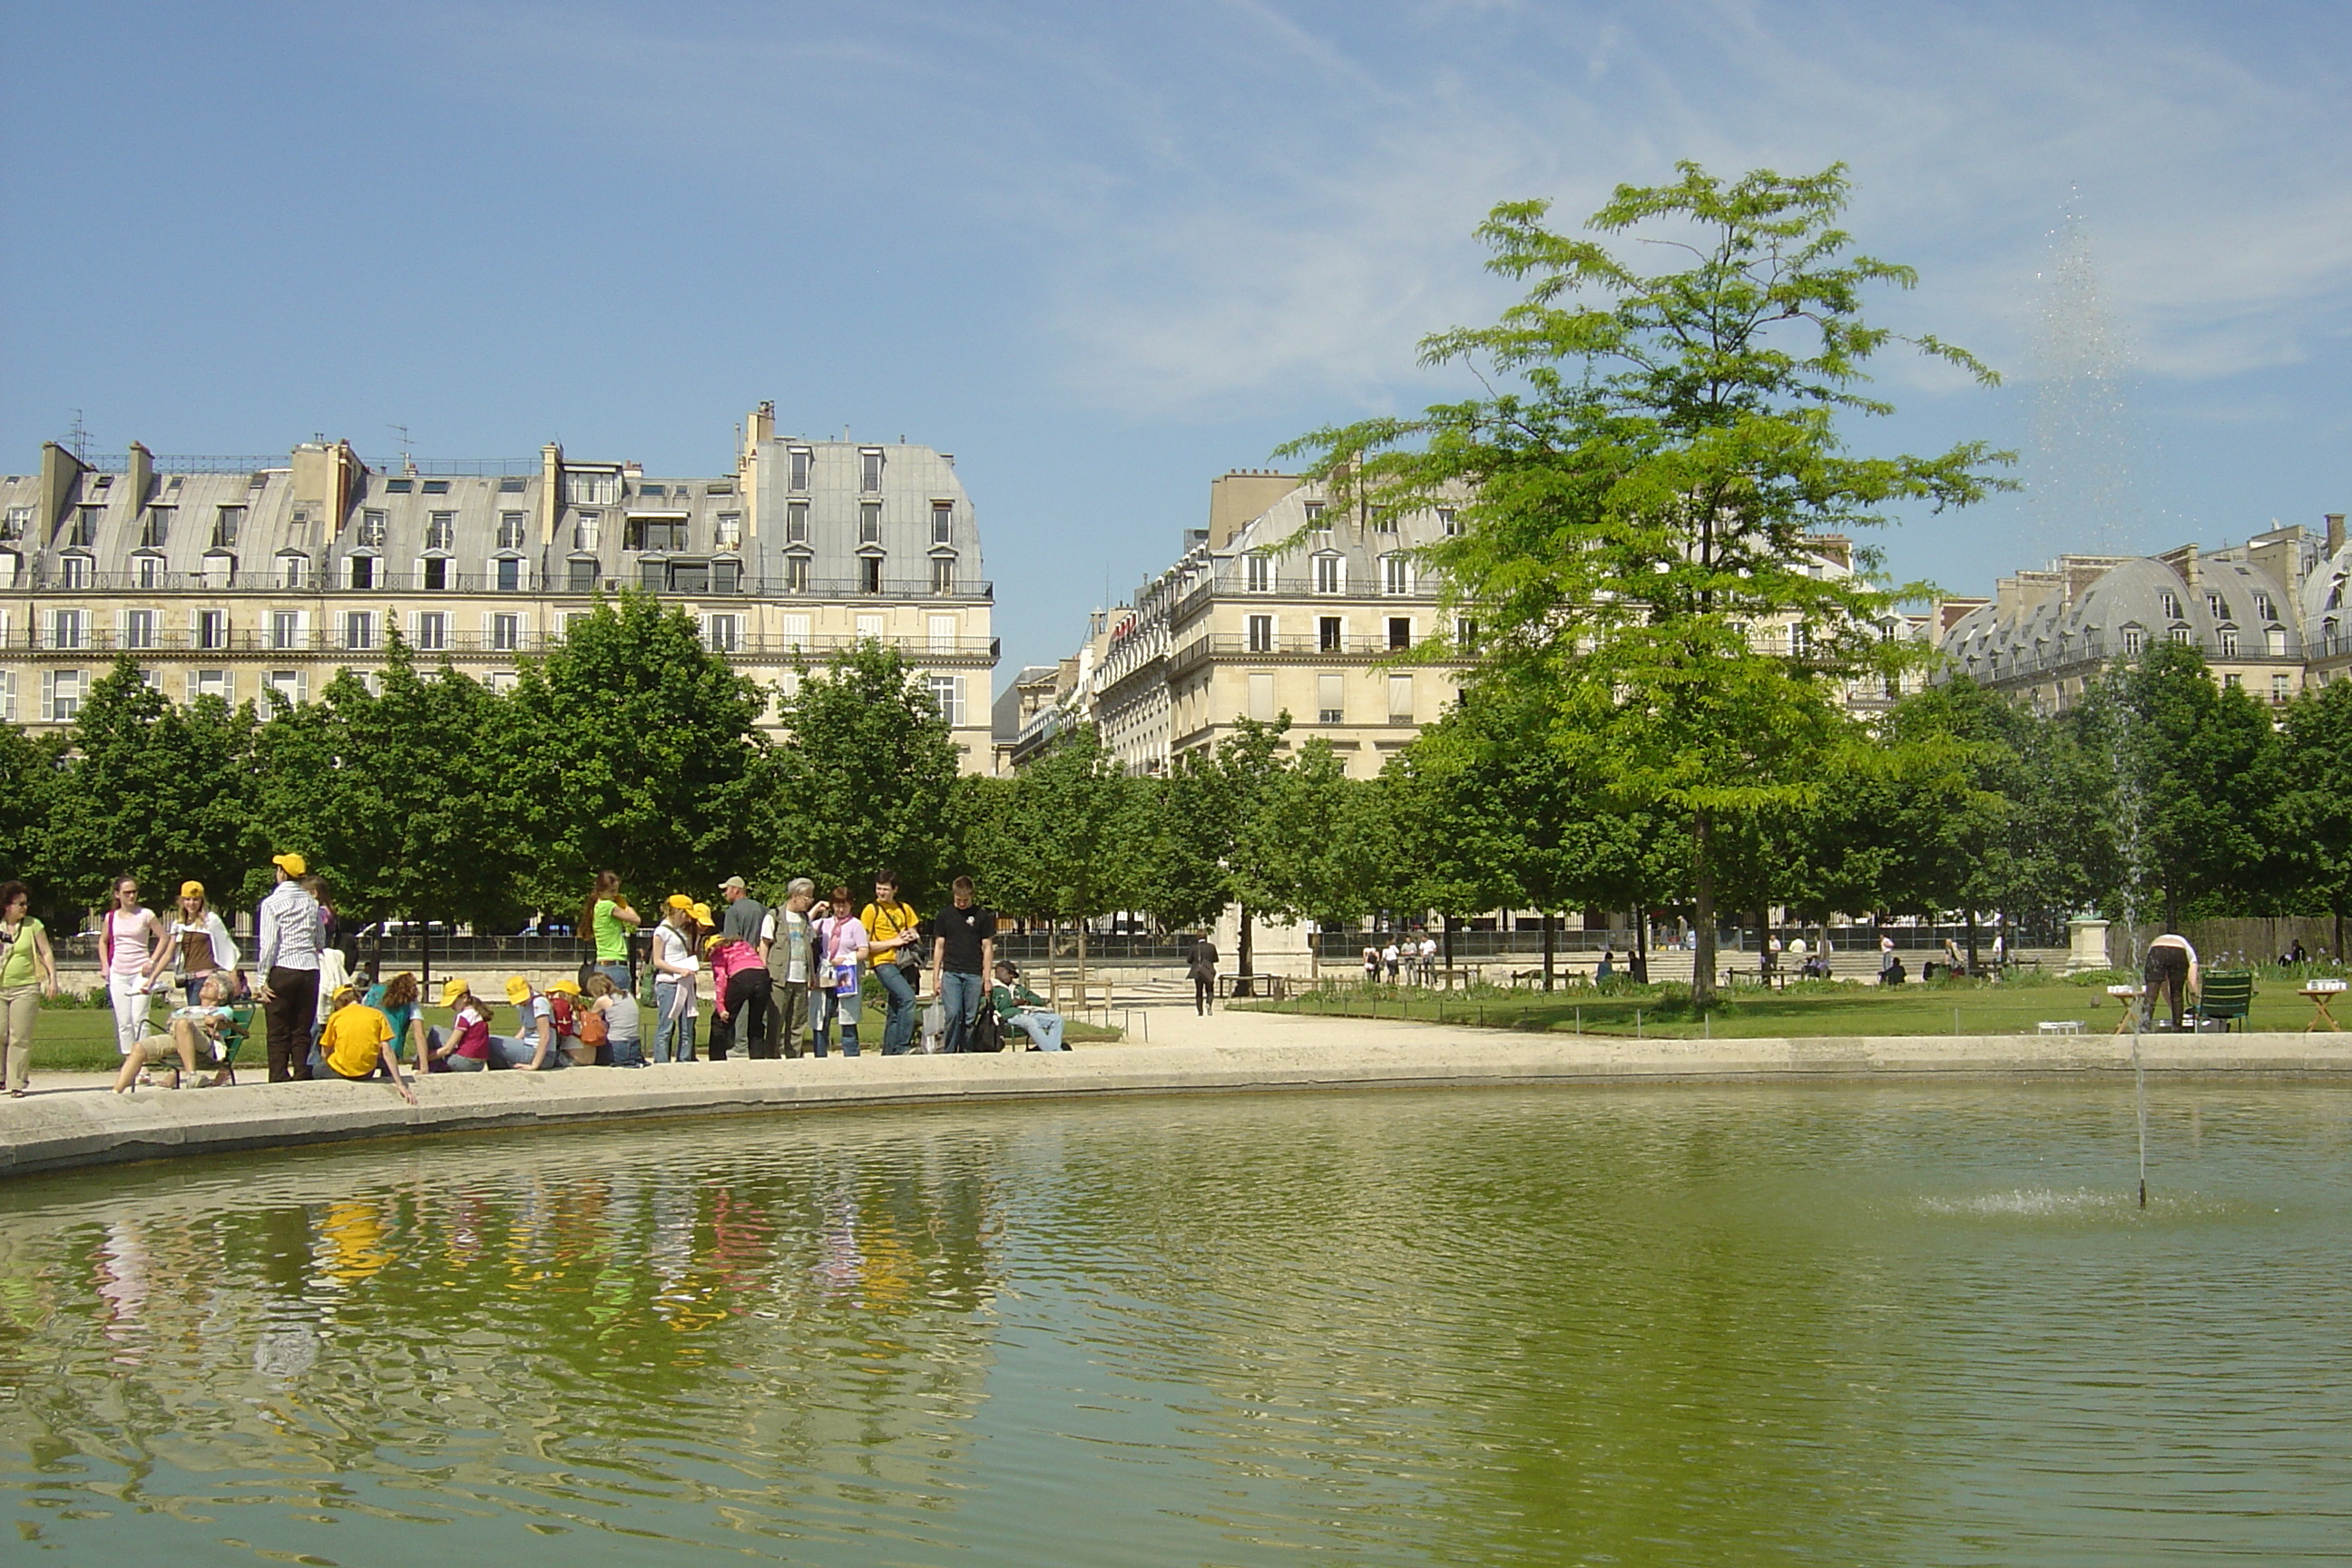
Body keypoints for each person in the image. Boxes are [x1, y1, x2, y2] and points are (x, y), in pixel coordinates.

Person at [254, 852, 323, 1082]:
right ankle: (302, 1072)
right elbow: (319, 939)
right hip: (309, 969)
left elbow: (269, 943)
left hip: (283, 967)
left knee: (277, 1030)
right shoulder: (311, 903)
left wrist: (261, 978)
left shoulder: (272, 904)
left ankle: (278, 1075)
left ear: (282, 873)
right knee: (302, 1029)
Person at [113, 975, 237, 1093]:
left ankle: (191, 1076)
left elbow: (214, 1021)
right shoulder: (187, 1009)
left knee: (182, 1023)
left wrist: (189, 1020)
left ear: (221, 995)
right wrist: (201, 1020)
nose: (205, 984)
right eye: (205, 983)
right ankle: (117, 1090)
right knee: (139, 1047)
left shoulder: (224, 1010)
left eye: (211, 985)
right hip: (177, 1038)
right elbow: (170, 1021)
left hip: (206, 1046)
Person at [97, 877, 172, 1061]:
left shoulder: (146, 914)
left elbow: (164, 937)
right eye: (127, 892)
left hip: (141, 971)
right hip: (118, 972)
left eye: (134, 892)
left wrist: (152, 961)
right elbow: (103, 941)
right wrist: (105, 966)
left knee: (139, 1017)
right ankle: (130, 1061)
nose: (131, 896)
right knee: (124, 1021)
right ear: (117, 895)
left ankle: (143, 1061)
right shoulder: (111, 917)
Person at [0, 882, 60, 1097]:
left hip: (25, 987)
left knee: (20, 1036)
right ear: (7, 906)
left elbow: (46, 953)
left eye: (26, 904)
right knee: (1, 1032)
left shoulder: (33, 925)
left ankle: (16, 1082)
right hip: (1, 987)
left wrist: (53, 979)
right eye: (20, 904)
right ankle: (1, 1076)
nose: (24, 908)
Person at [314, 985, 418, 1102]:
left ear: (338, 1003)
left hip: (340, 1071)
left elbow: (325, 1051)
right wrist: (400, 1084)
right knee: (381, 1059)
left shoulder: (336, 1017)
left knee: (316, 1070)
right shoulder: (377, 1015)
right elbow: (387, 1051)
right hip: (366, 1072)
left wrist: (326, 1059)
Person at [929, 876, 996, 1054]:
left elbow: (987, 947)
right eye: (958, 900)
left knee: (969, 1018)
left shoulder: (981, 916)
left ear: (972, 897)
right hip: (952, 972)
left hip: (973, 973)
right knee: (953, 1014)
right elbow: (939, 946)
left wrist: (987, 978)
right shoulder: (945, 915)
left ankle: (967, 1051)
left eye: (965, 900)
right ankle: (949, 1051)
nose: (961, 904)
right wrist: (935, 978)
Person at [861, 873, 925, 1055]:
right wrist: (894, 941)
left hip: (904, 962)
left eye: (885, 889)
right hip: (883, 961)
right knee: (907, 999)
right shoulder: (871, 910)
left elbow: (914, 933)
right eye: (878, 888)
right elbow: (865, 945)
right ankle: (902, 1046)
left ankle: (889, 1053)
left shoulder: (904, 909)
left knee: (895, 1009)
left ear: (894, 890)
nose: (881, 892)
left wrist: (910, 936)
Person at [760, 877, 817, 1059]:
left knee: (798, 1022)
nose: (809, 901)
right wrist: (763, 972)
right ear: (794, 896)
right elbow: (764, 944)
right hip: (779, 977)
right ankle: (772, 1055)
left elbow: (810, 947)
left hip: (801, 977)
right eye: (807, 897)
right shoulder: (774, 915)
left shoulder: (806, 919)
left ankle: (794, 1057)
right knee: (776, 1021)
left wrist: (812, 974)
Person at [165, 882, 240, 1007]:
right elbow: (168, 954)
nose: (191, 903)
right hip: (188, 978)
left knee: (197, 1015)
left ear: (201, 901)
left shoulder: (210, 920)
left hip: (206, 978)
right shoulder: (179, 924)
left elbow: (226, 946)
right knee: (193, 1013)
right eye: (187, 899)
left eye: (195, 899)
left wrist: (233, 976)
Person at [651, 895, 701, 1063]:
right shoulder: (661, 931)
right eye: (685, 914)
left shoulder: (680, 932)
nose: (687, 918)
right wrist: (678, 969)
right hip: (669, 983)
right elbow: (658, 960)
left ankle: (684, 1059)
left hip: (685, 982)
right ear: (678, 911)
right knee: (666, 1026)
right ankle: (662, 1061)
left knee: (687, 1025)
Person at [823, 886, 868, 1056]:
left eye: (845, 905)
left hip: (846, 974)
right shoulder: (825, 923)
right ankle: (821, 1055)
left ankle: (851, 1055)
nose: (841, 910)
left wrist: (846, 958)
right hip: (827, 974)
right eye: (837, 905)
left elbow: (863, 951)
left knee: (847, 1018)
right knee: (823, 1016)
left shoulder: (856, 925)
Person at [707, 935, 767, 1061]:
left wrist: (721, 1007)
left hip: (742, 977)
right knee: (756, 1021)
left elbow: (721, 981)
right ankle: (758, 1058)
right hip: (762, 975)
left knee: (720, 1020)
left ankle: (717, 1059)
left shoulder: (718, 953)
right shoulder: (743, 944)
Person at [581, 871, 641, 992]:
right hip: (615, 964)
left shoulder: (597, 906)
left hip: (602, 964)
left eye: (617, 890)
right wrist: (624, 904)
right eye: (612, 891)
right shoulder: (608, 906)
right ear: (601, 891)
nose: (616, 894)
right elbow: (636, 920)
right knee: (621, 1006)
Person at [987, 959, 1065, 1051]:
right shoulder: (993, 989)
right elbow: (998, 1007)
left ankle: (1053, 1049)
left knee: (1057, 1019)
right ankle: (1052, 1051)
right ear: (999, 971)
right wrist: (1014, 1002)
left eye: (1013, 974)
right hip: (1008, 1016)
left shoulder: (1018, 988)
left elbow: (1038, 1000)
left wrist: (1028, 1001)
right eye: (1010, 973)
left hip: (1026, 1012)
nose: (1012, 976)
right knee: (1030, 1022)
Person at [489, 975, 564, 1069]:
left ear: (530, 989)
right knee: (492, 1044)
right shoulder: (522, 1006)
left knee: (490, 1041)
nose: (522, 1002)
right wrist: (514, 1042)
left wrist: (534, 1065)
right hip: (528, 1046)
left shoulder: (539, 1003)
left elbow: (545, 1036)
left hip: (542, 1055)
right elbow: (526, 1028)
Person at [423, 978, 495, 1072]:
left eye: (453, 1002)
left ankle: (428, 1066)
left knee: (435, 1030)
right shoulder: (477, 1013)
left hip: (463, 1062)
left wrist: (425, 1059)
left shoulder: (463, 1017)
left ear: (464, 998)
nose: (451, 1005)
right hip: (479, 1064)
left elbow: (447, 1049)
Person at [363, 971, 426, 1067]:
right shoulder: (410, 1001)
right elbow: (419, 1034)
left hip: (367, 1046)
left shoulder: (373, 991)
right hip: (391, 1049)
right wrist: (424, 1066)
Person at [2143, 933, 2200, 1032]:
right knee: (2177, 993)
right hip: (2178, 951)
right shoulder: (2192, 957)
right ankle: (2177, 1027)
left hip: (2157, 950)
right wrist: (2197, 1007)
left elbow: (2163, 989)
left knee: (2151, 993)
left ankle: (2144, 1026)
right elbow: (2192, 983)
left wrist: (2170, 1006)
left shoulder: (2158, 942)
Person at [585, 972, 643, 1066]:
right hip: (635, 1044)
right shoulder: (627, 994)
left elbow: (590, 1018)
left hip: (617, 1045)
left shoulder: (603, 1000)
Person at [1186, 932, 1219, 1016]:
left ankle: (1200, 1011)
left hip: (1198, 971)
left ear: (1197, 937)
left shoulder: (1194, 947)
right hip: (1208, 970)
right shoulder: (1211, 947)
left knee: (1199, 991)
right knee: (1210, 990)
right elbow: (1216, 959)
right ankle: (1209, 1003)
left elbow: (1189, 960)